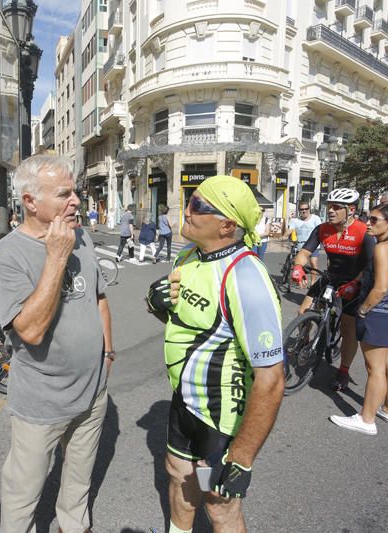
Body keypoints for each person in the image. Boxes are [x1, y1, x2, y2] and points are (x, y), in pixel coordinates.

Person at [147, 175, 284, 533]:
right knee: (178, 476)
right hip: (184, 400)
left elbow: (271, 378)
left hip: (222, 415)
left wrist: (243, 457)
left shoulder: (246, 277)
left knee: (218, 504)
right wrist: (156, 303)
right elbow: (186, 321)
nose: (187, 210)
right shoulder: (187, 255)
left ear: (226, 226)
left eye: (197, 205)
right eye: (190, 199)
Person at [0, 155, 113, 533]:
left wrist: (107, 354)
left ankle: (74, 526)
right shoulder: (6, 254)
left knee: (78, 480)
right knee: (23, 491)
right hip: (42, 401)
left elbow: (99, 298)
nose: (76, 201)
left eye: (75, 192)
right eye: (64, 194)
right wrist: (56, 256)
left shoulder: (83, 236)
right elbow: (31, 330)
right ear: (30, 202)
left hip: (94, 393)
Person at [330, 203, 388, 435]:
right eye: (368, 218)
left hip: (381, 314)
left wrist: (364, 310)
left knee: (374, 369)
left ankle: (366, 420)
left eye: (375, 220)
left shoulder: (382, 249)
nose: (368, 223)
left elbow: (380, 288)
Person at [291, 188, 376, 392]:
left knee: (348, 329)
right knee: (303, 311)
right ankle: (304, 341)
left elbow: (371, 264)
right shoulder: (322, 229)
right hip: (331, 277)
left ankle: (343, 371)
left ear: (351, 210)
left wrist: (355, 283)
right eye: (329, 206)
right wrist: (298, 268)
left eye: (337, 207)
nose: (331, 211)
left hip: (354, 281)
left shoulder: (364, 232)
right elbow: (304, 251)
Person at [285, 201, 322, 287]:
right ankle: (300, 278)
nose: (304, 211)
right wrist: (284, 236)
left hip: (314, 246)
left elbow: (321, 230)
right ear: (299, 211)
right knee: (299, 264)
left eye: (306, 209)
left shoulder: (315, 218)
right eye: (302, 209)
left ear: (309, 209)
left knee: (313, 263)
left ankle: (312, 282)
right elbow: (289, 230)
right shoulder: (295, 220)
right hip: (301, 246)